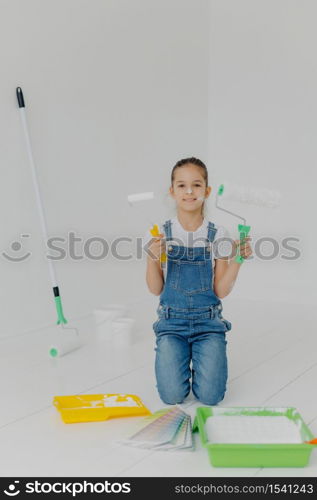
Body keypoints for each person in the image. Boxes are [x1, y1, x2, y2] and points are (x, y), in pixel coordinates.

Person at [144, 157, 252, 405]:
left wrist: (237, 260)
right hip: (172, 324)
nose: (189, 191)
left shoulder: (217, 234)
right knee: (172, 396)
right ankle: (180, 355)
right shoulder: (161, 234)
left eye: (196, 184)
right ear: (172, 192)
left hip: (208, 324)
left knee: (211, 397)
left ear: (207, 190)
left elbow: (221, 290)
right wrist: (151, 258)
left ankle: (202, 355)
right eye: (181, 185)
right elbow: (155, 288)